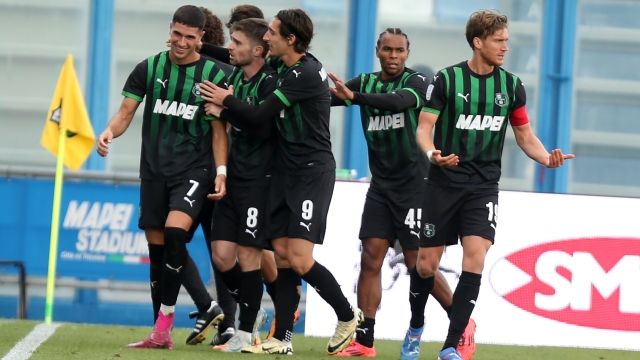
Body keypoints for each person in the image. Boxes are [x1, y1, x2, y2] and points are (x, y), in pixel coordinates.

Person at [200, 8, 363, 356]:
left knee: (300, 259)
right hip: (286, 173)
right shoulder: (283, 64)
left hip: (311, 172)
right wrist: (200, 46)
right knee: (285, 256)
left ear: (290, 39)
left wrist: (224, 103)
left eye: (272, 32)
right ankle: (282, 340)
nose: (267, 37)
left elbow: (259, 116)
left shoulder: (302, 74)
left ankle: (348, 315)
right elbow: (242, 55)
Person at [413, 10, 574, 360]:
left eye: (506, 39)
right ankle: (415, 327)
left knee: (476, 257)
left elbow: (525, 135)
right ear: (478, 42)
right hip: (443, 182)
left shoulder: (511, 86)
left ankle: (451, 345)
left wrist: (547, 158)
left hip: (483, 185)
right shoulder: (447, 80)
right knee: (426, 265)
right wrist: (432, 154)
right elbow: (424, 128)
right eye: (499, 40)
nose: (505, 46)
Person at [328, 28, 470, 359]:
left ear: (407, 53)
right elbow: (328, 97)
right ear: (377, 51)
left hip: (415, 186)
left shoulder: (417, 83)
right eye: (387, 50)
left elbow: (398, 102)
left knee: (416, 263)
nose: (393, 56)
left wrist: (354, 98)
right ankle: (365, 341)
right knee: (370, 258)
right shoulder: (364, 82)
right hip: (381, 186)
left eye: (400, 50)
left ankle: (462, 323)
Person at [96, 5, 230, 349]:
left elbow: (219, 132)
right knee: (158, 258)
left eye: (190, 37)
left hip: (193, 171)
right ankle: (161, 332)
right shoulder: (149, 67)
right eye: (177, 34)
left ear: (201, 38)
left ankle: (205, 309)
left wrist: (220, 172)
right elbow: (126, 112)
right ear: (169, 30)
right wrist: (109, 132)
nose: (181, 42)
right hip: (153, 171)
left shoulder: (213, 74)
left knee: (175, 233)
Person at [206, 18, 275, 352]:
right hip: (233, 178)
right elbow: (222, 126)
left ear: (257, 50)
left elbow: (261, 126)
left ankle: (246, 334)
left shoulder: (270, 83)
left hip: (260, 182)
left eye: (235, 42)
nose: (229, 47)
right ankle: (254, 309)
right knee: (221, 256)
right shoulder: (232, 78)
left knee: (250, 256)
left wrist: (227, 105)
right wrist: (221, 170)